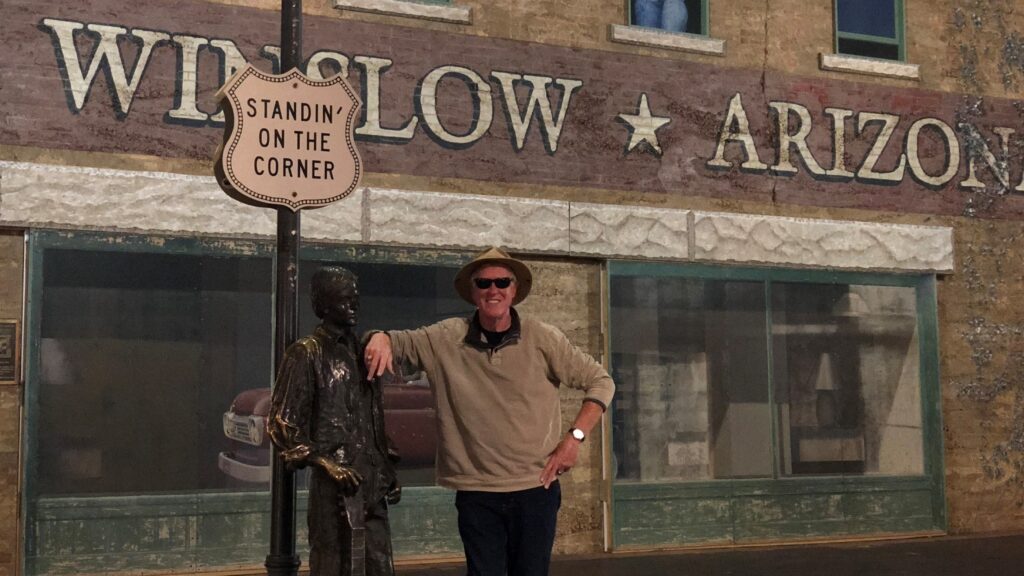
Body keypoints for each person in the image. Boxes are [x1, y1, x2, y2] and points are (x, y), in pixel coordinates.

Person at [364, 247, 615, 576]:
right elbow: (396, 343)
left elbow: (601, 381)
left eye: (502, 282)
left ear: (514, 289)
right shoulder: (446, 338)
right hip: (478, 492)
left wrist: (574, 439)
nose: (493, 290)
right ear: (473, 292)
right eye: (483, 283)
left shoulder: (543, 338)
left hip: (535, 488)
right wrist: (379, 336)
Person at [268, 266, 400, 576]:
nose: (353, 306)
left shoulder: (363, 352)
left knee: (380, 565)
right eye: (344, 300)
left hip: (371, 481)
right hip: (333, 487)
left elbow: (372, 418)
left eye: (355, 299)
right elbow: (283, 425)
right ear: (323, 305)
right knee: (333, 563)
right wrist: (328, 465)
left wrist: (386, 468)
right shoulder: (306, 353)